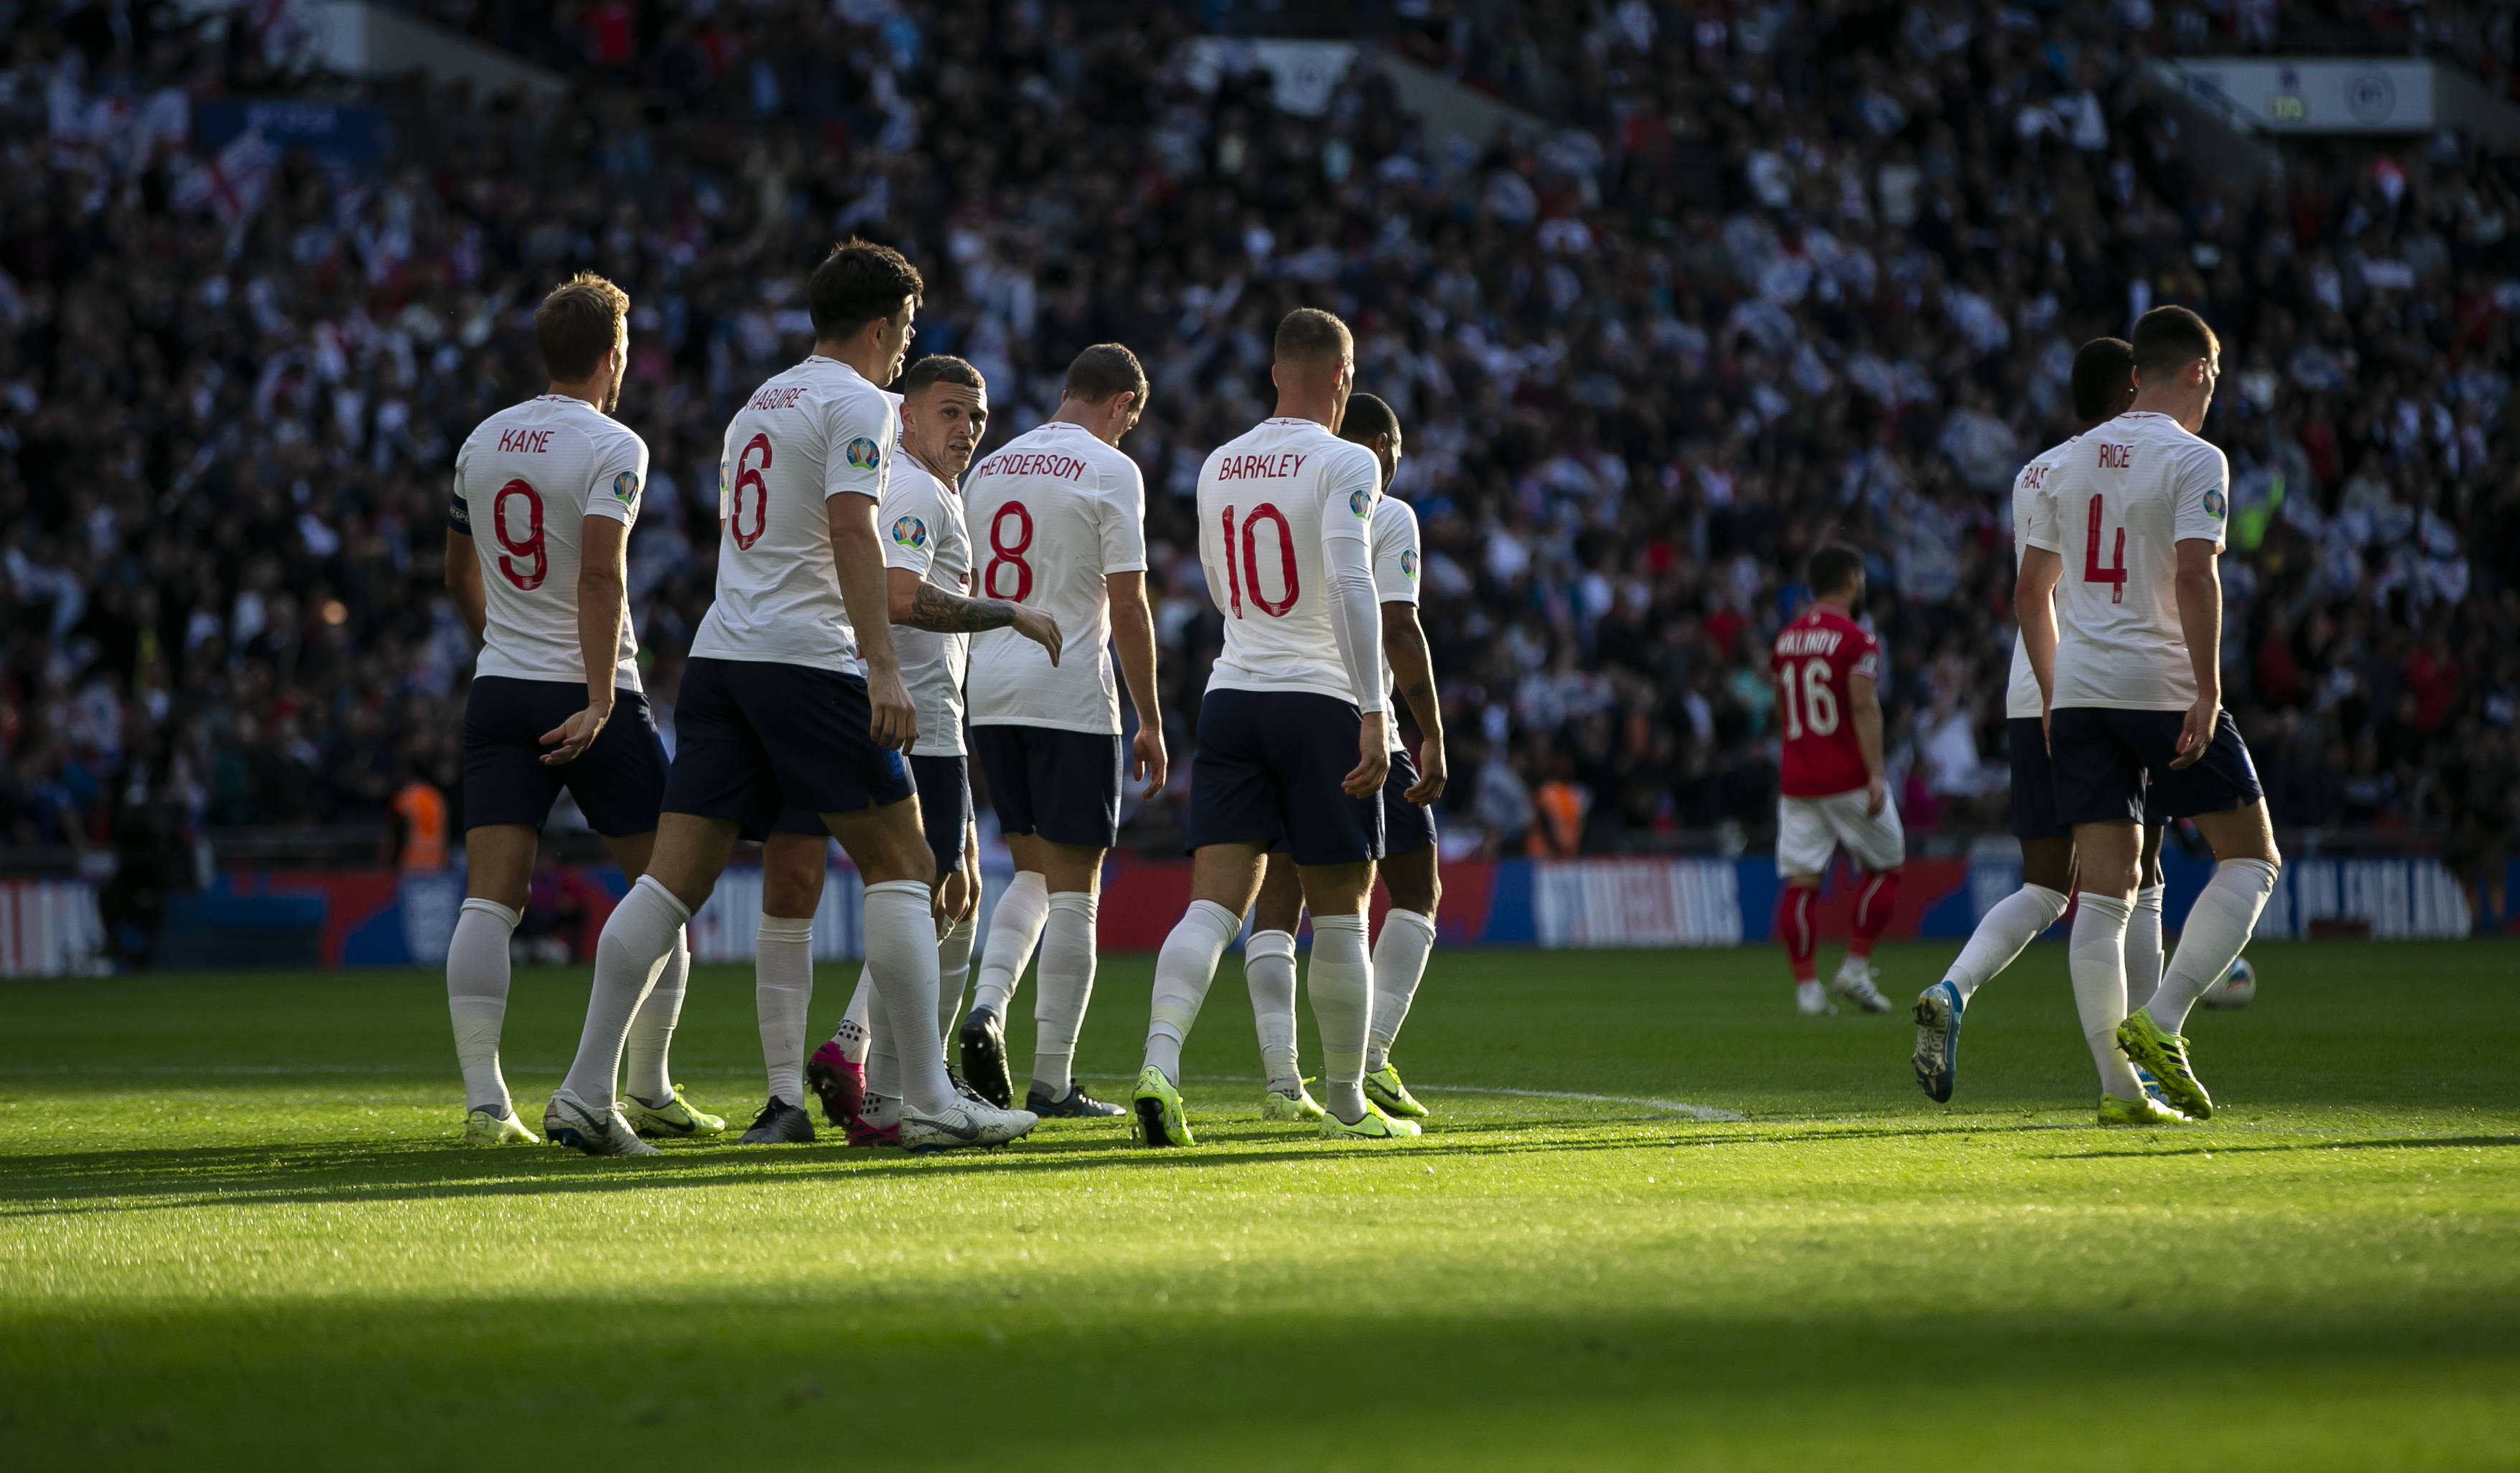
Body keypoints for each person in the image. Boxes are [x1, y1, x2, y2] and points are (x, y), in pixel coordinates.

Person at [543, 239, 1037, 1156]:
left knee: (670, 882)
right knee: (905, 864)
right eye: (907, 330)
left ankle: (582, 1091)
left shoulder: (758, 404)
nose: (906, 347)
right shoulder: (859, 403)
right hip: (806, 658)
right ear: (881, 327)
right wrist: (882, 665)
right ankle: (925, 1099)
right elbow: (852, 531)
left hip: (723, 657)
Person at [737, 355, 1059, 1146]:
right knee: (929, 894)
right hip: (914, 722)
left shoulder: (930, 488)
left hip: (921, 714)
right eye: (950, 412)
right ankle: (890, 1084)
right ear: (906, 416)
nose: (967, 429)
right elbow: (900, 597)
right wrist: (1007, 612)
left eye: (977, 416)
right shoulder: (912, 488)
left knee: (944, 895)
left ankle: (873, 1073)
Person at [440, 273, 721, 1149]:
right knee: (666, 889)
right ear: (612, 356)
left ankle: (487, 1105)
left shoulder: (483, 440)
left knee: (490, 903)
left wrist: (504, 645)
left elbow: (457, 573)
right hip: (592, 693)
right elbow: (602, 575)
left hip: (500, 686)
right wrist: (599, 696)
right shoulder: (614, 444)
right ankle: (646, 1085)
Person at [1130, 307, 1411, 1146]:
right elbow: (1353, 584)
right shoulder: (1349, 459)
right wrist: (1374, 710)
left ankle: (1159, 1065)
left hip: (1234, 691)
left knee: (1213, 907)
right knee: (1342, 910)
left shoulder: (1220, 462)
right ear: (1343, 377)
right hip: (1319, 698)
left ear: (1275, 373)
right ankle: (1348, 1104)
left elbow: (1221, 585)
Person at [2018, 304, 2283, 1127]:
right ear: (2199, 372)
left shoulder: (2065, 460)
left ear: (2136, 375)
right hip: (2159, 685)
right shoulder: (2197, 457)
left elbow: (2032, 590)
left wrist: (2054, 694)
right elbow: (2197, 578)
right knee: (2252, 859)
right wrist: (2208, 690)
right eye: (2215, 378)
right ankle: (2162, 1021)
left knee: (2103, 896)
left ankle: (2118, 1089)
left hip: (2080, 691)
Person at [1913, 337, 2170, 1104]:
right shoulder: (2148, 465)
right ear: (2132, 389)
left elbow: (2034, 589)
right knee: (2139, 881)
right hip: (2110, 687)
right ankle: (2143, 1062)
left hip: (2032, 687)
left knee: (2047, 885)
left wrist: (2051, 695)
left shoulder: (2034, 472)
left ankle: (1953, 988)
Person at [949, 344, 1166, 1117]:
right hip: (1068, 689)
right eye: (1128, 421)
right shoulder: (1111, 470)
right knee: (1077, 892)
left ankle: (986, 1005)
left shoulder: (988, 467)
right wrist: (1150, 717)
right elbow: (1128, 605)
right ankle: (1051, 1081)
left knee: (1033, 873)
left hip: (990, 688)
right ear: (1121, 404)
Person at [1241, 393, 1446, 1124]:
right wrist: (1430, 730)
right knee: (1408, 889)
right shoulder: (1386, 511)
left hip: (1262, 703)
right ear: (1382, 447)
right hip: (1354, 716)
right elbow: (1398, 625)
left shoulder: (1281, 493)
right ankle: (1370, 1061)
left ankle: (1279, 1082)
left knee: (1280, 893)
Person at [1769, 544, 1900, 1016]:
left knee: (1802, 882)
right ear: (1850, 580)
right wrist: (1876, 773)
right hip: (1846, 775)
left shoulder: (1785, 640)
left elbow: (1783, 708)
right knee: (1887, 866)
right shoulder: (1857, 640)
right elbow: (1863, 705)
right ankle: (1855, 967)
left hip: (1798, 778)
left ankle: (1807, 990)